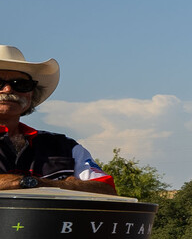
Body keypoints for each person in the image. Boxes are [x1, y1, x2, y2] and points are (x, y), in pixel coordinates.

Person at [0, 46, 115, 192]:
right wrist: (65, 185)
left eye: (21, 84)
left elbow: (107, 189)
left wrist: (35, 183)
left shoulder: (65, 146)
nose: (8, 89)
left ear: (32, 93)